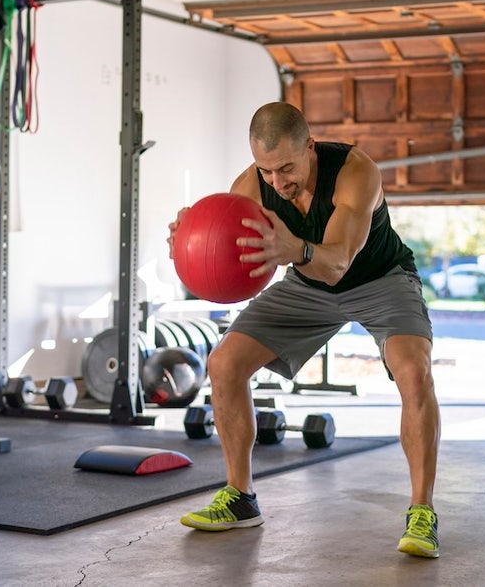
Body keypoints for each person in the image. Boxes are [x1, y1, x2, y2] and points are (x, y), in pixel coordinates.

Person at [167, 101, 442, 558]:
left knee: (414, 372)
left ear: (309, 146)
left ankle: (422, 512)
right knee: (224, 363)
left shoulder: (356, 172)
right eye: (267, 171)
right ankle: (240, 497)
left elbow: (337, 263)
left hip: (378, 278)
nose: (277, 182)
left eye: (287, 168)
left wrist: (294, 247)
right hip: (307, 285)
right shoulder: (251, 186)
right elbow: (223, 241)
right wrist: (188, 240)